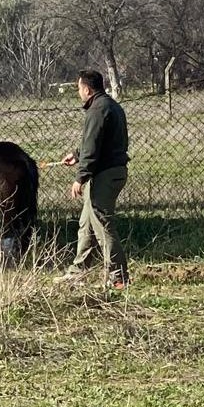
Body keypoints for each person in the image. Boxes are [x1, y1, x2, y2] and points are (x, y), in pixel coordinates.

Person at [57, 70, 131, 288]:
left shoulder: (96, 111)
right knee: (87, 224)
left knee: (102, 224)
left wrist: (80, 177)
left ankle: (118, 277)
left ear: (87, 89)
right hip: (114, 170)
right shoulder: (110, 105)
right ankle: (78, 272)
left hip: (104, 174)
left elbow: (92, 146)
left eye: (79, 88)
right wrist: (77, 155)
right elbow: (99, 141)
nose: (79, 92)